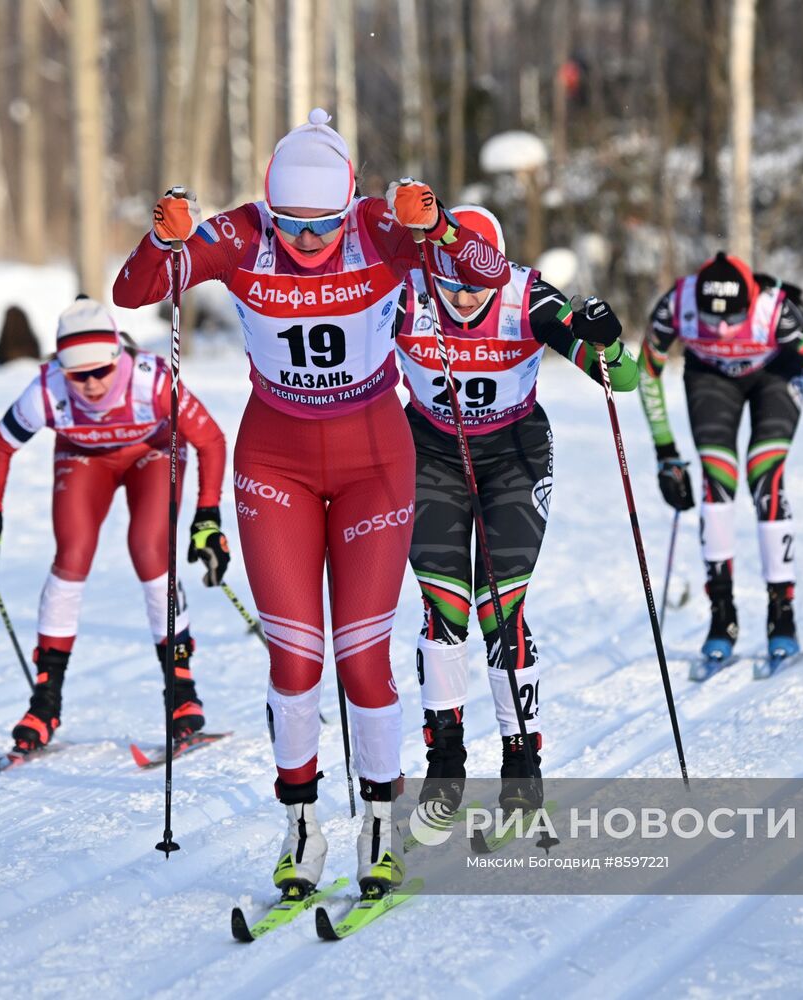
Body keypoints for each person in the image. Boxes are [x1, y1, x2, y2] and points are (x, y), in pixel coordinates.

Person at [112, 109, 509, 900]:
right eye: (292, 223)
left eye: (322, 223)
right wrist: (164, 242)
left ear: (348, 204)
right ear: (269, 205)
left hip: (373, 459)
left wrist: (432, 225)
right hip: (276, 460)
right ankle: (300, 825)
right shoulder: (241, 234)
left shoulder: (377, 226)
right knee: (294, 659)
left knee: (362, 657)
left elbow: (487, 272)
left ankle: (376, 825)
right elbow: (133, 294)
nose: (306, 239)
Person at [396, 205, 638, 813]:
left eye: (478, 284)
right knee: (444, 605)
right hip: (429, 453)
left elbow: (624, 379)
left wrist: (610, 339)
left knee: (499, 606)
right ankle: (445, 762)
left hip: (514, 455)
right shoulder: (406, 294)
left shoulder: (526, 297)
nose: (466, 297)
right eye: (452, 283)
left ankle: (521, 761)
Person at [0, 297, 229, 753]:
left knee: (149, 548)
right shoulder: (48, 389)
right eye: (76, 375)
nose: (89, 385)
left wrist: (207, 517)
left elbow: (211, 440)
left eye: (99, 372)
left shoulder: (152, 380)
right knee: (72, 554)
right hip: (84, 458)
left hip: (154, 452)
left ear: (117, 357)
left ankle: (182, 695)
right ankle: (45, 703)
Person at [637, 252, 803, 665]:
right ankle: (723, 615)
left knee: (765, 474)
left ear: (750, 303)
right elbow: (646, 370)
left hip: (775, 374)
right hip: (711, 376)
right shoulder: (677, 304)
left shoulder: (776, 312)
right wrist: (666, 453)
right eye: (711, 319)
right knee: (716, 479)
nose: (721, 328)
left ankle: (781, 614)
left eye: (732, 319)